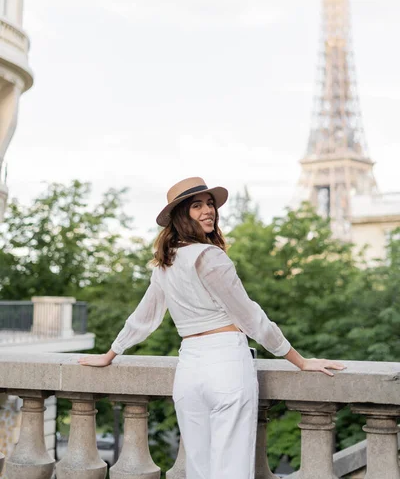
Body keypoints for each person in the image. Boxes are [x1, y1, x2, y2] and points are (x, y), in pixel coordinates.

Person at [79, 176, 345, 479]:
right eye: (197, 206)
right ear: (181, 215)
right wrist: (300, 361)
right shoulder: (210, 256)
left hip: (189, 372)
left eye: (210, 204)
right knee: (231, 471)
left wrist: (109, 354)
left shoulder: (165, 263)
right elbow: (251, 317)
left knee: (199, 471)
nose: (209, 211)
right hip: (226, 366)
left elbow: (144, 318)